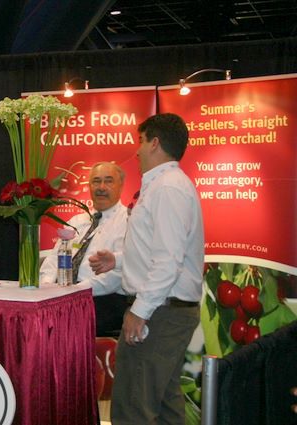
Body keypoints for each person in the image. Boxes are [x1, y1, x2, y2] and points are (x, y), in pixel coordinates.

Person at [90, 113, 204, 424]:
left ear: (155, 143)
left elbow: (168, 260)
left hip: (159, 313)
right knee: (165, 405)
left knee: (133, 408)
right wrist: (118, 260)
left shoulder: (167, 188)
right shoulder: (164, 185)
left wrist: (139, 311)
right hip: (165, 310)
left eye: (140, 142)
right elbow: (157, 249)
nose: (137, 151)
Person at [40, 161, 128, 336]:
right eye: (96, 181)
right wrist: (47, 286)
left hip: (101, 300)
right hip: (62, 297)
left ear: (121, 185)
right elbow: (53, 259)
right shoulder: (77, 221)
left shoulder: (128, 221)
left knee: (59, 328)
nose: (101, 187)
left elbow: (119, 273)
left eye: (108, 181)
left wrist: (78, 291)